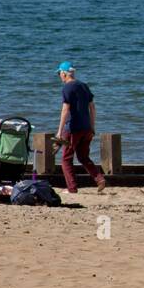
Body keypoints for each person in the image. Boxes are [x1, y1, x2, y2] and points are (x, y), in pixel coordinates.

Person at [55, 61, 105, 194]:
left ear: (64, 73)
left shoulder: (67, 87)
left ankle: (72, 188)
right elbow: (92, 107)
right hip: (86, 128)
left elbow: (65, 109)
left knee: (66, 159)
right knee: (83, 156)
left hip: (73, 128)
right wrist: (92, 126)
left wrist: (59, 131)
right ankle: (99, 179)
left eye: (59, 73)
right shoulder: (83, 86)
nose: (59, 76)